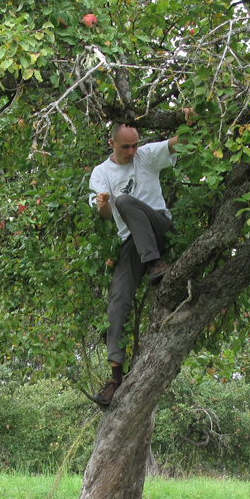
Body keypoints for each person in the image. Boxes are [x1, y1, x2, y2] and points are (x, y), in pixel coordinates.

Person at [88, 122, 182, 406]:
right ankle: (116, 377)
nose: (132, 151)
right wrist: (104, 203)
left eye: (135, 145)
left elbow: (177, 142)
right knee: (117, 300)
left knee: (125, 201)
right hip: (132, 242)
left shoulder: (145, 155)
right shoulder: (101, 173)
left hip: (160, 228)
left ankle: (155, 263)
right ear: (112, 143)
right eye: (125, 146)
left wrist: (192, 120)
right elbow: (104, 213)